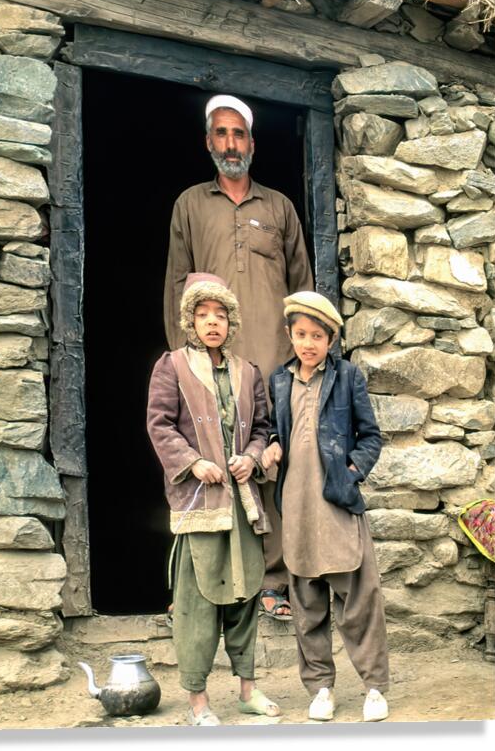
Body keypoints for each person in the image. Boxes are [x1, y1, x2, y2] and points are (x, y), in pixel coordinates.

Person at [164, 93, 313, 618]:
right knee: (214, 464)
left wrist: (305, 360)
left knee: (276, 465)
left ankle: (276, 579)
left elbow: (302, 288)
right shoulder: (190, 204)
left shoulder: (278, 208)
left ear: (252, 142)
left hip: (275, 362)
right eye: (221, 134)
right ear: (209, 142)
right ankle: (219, 583)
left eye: (239, 134)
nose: (231, 144)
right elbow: (177, 286)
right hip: (214, 366)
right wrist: (182, 365)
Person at [147, 272, 280, 725]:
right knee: (198, 603)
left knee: (245, 597)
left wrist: (252, 457)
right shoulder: (173, 366)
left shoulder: (249, 373)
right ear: (190, 321)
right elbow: (160, 424)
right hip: (199, 505)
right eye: (202, 315)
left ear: (230, 322)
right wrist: (191, 462)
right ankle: (198, 701)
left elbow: (263, 428)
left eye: (219, 315)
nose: (211, 323)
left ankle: (247, 690)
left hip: (242, 505)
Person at [262, 291, 390, 723]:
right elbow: (274, 431)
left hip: (336, 504)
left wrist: (352, 469)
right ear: (289, 335)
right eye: (300, 334)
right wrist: (273, 448)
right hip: (296, 508)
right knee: (307, 604)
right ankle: (321, 688)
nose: (308, 343)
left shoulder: (347, 377)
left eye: (317, 335)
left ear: (331, 339)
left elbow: (371, 437)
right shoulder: (280, 381)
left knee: (358, 599)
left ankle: (374, 686)